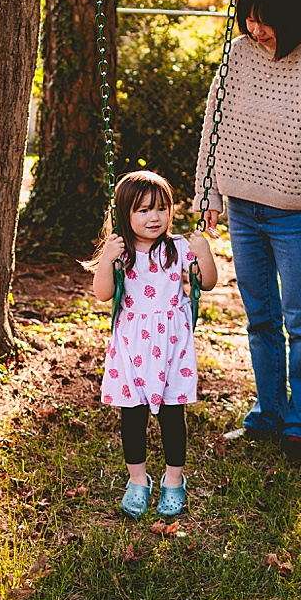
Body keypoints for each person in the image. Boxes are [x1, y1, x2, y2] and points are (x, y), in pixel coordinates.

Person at [194, 0, 301, 464]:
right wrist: (208, 194)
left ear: (294, 18)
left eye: (266, 20)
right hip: (243, 210)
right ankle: (268, 414)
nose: (254, 29)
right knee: (260, 319)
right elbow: (213, 127)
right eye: (249, 17)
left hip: (295, 218)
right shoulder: (238, 56)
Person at [89, 171, 218, 518]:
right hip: (132, 347)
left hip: (172, 346)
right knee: (133, 417)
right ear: (124, 215)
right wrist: (106, 258)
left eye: (161, 208)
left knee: (173, 416)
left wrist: (204, 253)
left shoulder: (177, 249)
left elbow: (207, 282)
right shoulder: (121, 253)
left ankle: (174, 481)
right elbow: (103, 294)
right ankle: (137, 481)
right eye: (143, 210)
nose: (154, 217)